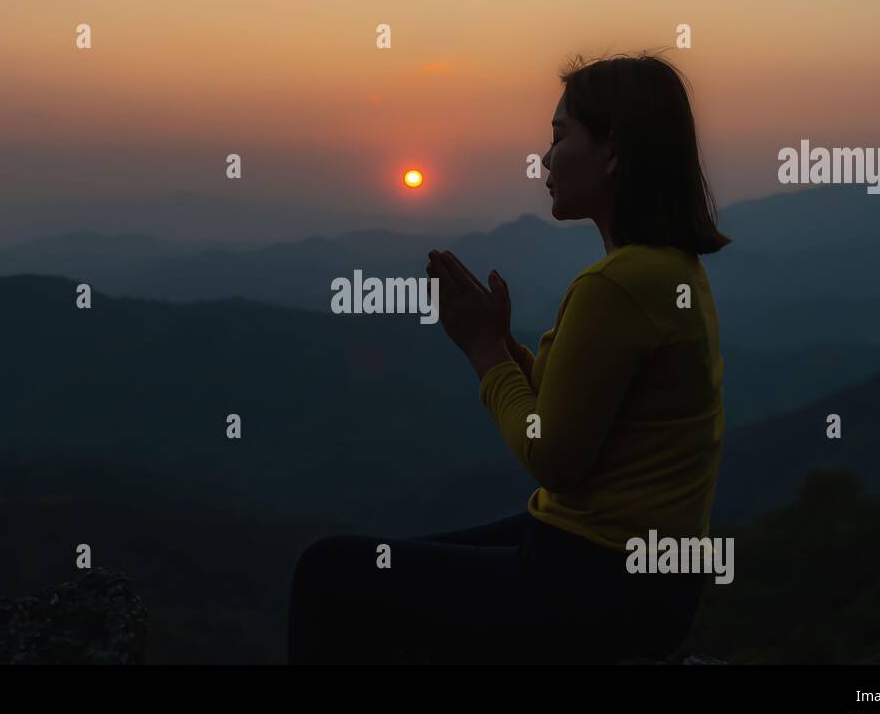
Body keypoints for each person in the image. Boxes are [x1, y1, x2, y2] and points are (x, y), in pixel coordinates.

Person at [288, 50, 731, 664]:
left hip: (604, 581)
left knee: (328, 574)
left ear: (613, 153)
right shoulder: (670, 270)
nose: (545, 159)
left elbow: (554, 457)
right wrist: (509, 348)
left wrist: (484, 350)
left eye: (558, 137)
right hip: (646, 577)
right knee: (391, 561)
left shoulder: (618, 285)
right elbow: (588, 410)